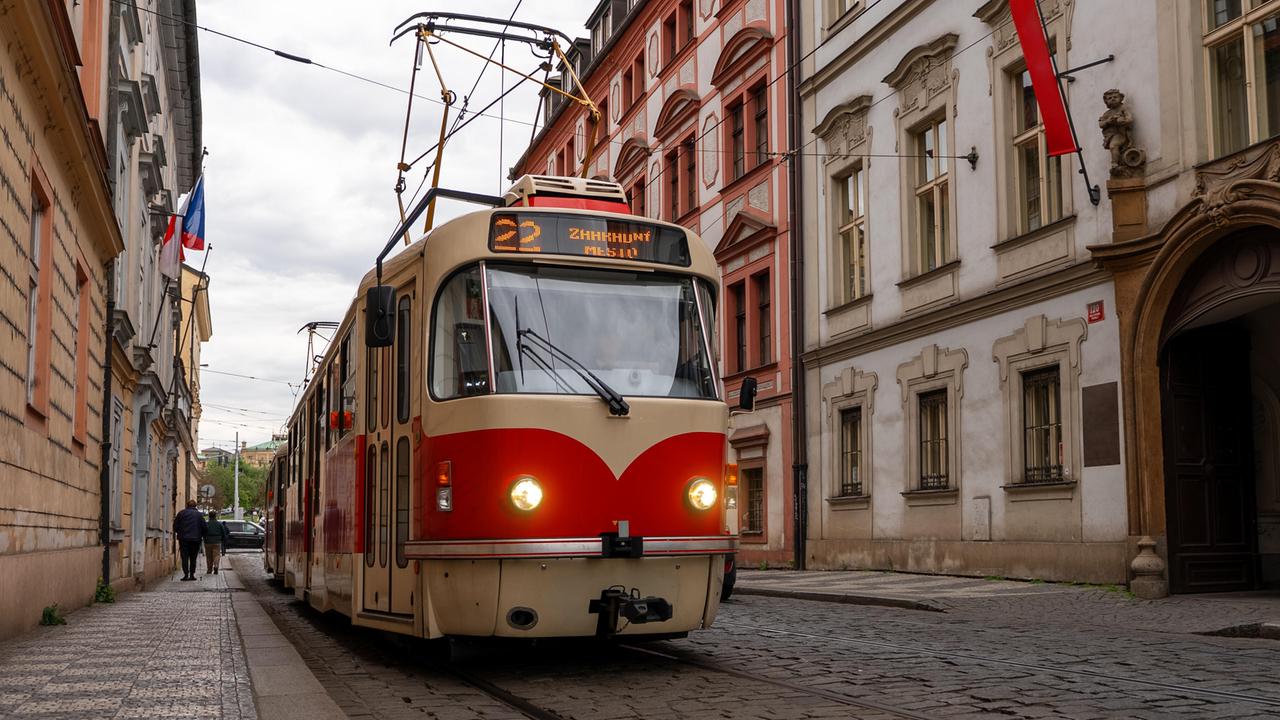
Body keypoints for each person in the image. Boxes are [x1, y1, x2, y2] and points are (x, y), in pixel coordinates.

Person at [173, 499, 207, 581]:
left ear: (187, 505)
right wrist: (201, 534)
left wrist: (180, 532)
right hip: (196, 539)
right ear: (195, 506)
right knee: (193, 557)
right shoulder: (199, 515)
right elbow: (204, 527)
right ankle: (192, 574)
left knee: (184, 557)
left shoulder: (181, 513)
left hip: (183, 539)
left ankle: (186, 574)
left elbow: (175, 526)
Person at [203, 510, 229, 575]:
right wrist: (223, 540)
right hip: (217, 541)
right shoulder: (219, 524)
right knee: (216, 555)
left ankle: (209, 569)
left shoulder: (206, 524)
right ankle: (216, 566)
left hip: (208, 541)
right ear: (215, 516)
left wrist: (204, 538)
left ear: (209, 516)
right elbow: (223, 533)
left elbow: (203, 532)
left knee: (209, 556)